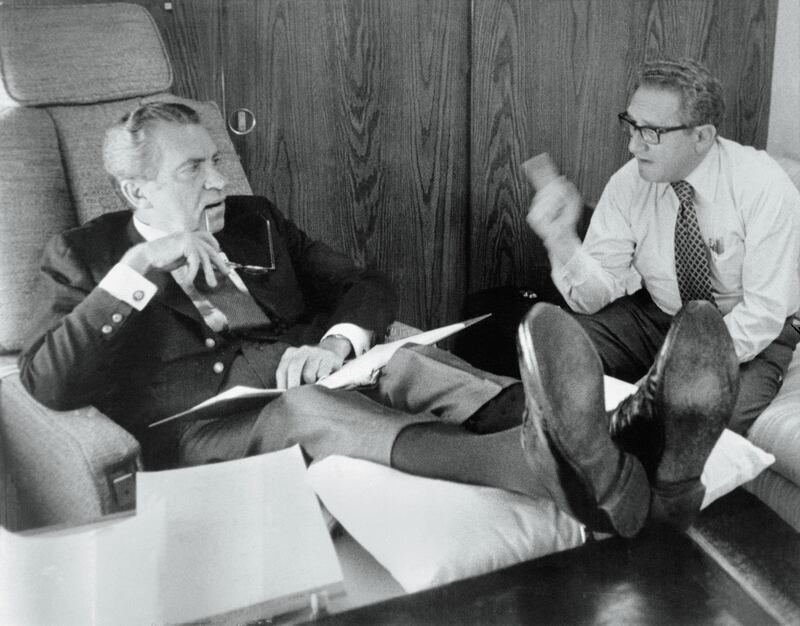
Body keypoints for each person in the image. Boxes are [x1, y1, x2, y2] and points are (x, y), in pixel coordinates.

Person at [20, 101, 736, 538]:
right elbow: (44, 380)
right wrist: (139, 273)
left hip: (326, 377)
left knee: (410, 362)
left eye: (215, 161)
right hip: (207, 428)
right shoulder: (87, 257)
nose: (218, 181)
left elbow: (366, 283)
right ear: (133, 187)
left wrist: (337, 339)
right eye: (192, 171)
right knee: (308, 408)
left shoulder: (253, 219)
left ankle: (626, 442)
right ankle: (553, 471)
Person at [527, 58, 800, 438]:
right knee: (556, 358)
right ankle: (578, 476)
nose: (633, 145)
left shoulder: (762, 186)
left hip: (746, 329)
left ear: (702, 136)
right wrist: (560, 239)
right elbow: (592, 300)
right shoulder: (629, 183)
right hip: (660, 313)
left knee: (704, 422)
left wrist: (668, 374)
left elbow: (763, 313)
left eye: (651, 132)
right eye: (631, 125)